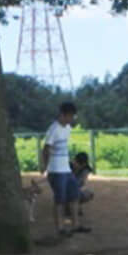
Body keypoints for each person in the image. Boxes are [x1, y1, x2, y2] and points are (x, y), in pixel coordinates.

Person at [38, 101, 80, 237]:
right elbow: (46, 148)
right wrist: (45, 166)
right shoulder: (54, 129)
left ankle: (75, 225)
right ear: (63, 115)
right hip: (56, 170)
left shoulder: (68, 128)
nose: (72, 119)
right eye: (70, 116)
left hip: (66, 169)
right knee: (59, 200)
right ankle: (60, 228)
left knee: (74, 195)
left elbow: (63, 148)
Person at [69, 151, 95, 231]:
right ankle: (69, 207)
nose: (77, 165)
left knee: (88, 193)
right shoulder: (68, 166)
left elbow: (81, 183)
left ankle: (75, 206)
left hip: (75, 188)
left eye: (82, 164)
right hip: (67, 189)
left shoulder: (86, 169)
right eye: (76, 162)